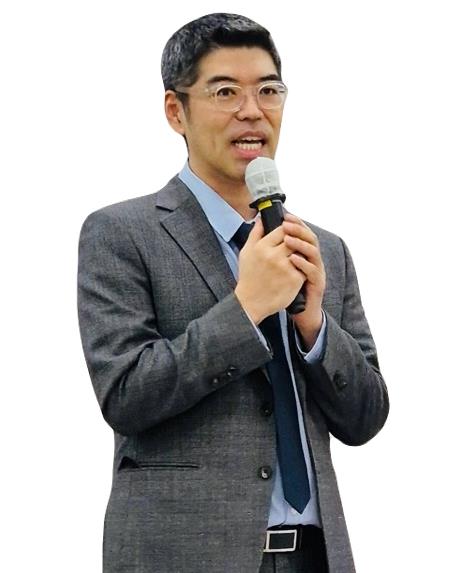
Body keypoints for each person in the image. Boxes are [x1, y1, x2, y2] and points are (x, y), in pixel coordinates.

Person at [77, 13, 389, 573]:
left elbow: (365, 418)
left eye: (268, 90)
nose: (252, 110)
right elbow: (125, 396)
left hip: (315, 556)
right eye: (225, 92)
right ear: (176, 111)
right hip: (184, 556)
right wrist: (247, 308)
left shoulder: (322, 249)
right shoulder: (121, 233)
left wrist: (314, 325)